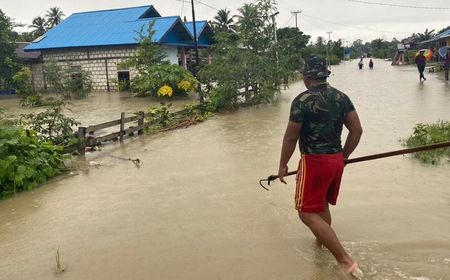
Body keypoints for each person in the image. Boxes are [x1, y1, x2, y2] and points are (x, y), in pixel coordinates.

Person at [278, 55, 363, 278]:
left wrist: (283, 165)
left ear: (307, 77)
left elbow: (290, 138)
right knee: (321, 205)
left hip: (314, 162)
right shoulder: (341, 97)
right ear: (325, 74)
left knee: (306, 213)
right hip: (336, 161)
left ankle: (346, 261)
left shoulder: (302, 101)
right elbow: (357, 130)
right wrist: (344, 156)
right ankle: (321, 244)